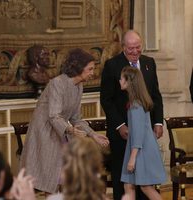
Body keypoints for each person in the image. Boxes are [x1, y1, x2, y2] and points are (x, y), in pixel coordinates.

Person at [20, 48, 109, 194]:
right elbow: (54, 115)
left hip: (61, 131)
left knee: (63, 176)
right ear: (79, 68)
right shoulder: (58, 83)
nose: (92, 72)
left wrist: (93, 135)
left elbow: (76, 118)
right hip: (45, 133)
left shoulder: (78, 86)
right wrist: (70, 130)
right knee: (49, 177)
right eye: (90, 69)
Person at [100, 30, 163, 200]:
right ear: (123, 47)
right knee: (125, 182)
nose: (135, 52)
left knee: (145, 183)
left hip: (143, 136)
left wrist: (158, 122)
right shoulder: (112, 65)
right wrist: (120, 125)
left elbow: (155, 95)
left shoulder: (149, 63)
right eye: (130, 49)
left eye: (138, 47)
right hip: (121, 136)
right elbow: (106, 100)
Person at [120, 66, 166, 200]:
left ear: (129, 81)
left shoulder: (136, 106)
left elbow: (139, 134)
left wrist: (132, 158)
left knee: (145, 187)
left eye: (122, 78)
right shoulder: (136, 103)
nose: (119, 80)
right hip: (137, 148)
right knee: (129, 185)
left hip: (140, 150)